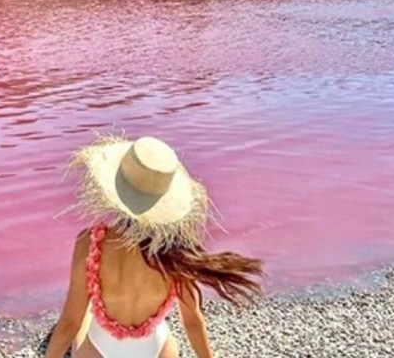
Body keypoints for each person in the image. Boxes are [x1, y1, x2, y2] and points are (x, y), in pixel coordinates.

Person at [44, 136, 263, 358]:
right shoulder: (177, 253)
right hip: (156, 351)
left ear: (116, 190)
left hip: (100, 351)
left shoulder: (90, 242)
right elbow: (192, 322)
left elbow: (70, 323)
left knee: (83, 321)